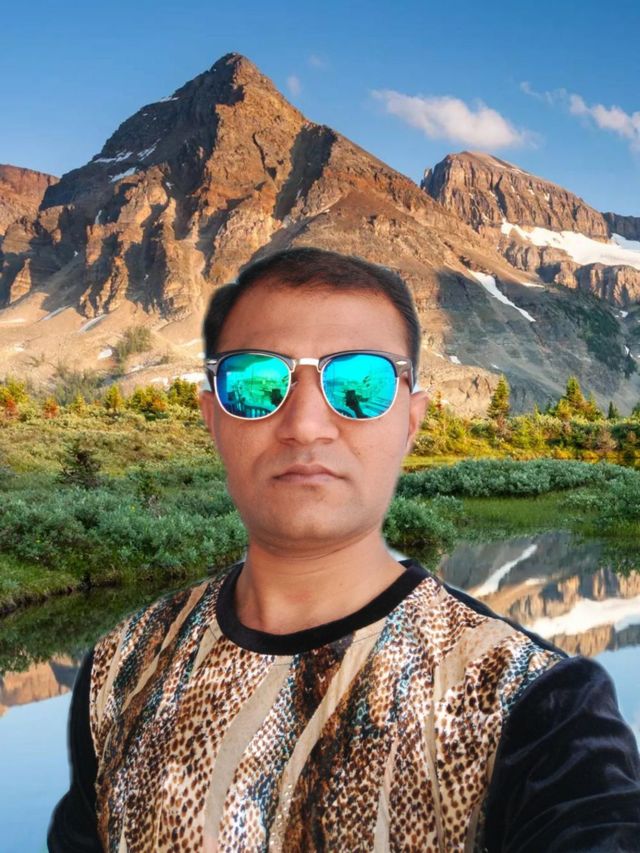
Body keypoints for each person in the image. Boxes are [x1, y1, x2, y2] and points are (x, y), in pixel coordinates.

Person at [49, 247, 640, 852]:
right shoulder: (120, 669)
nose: (306, 424)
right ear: (213, 419)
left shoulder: (539, 707)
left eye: (362, 384)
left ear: (410, 422)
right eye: (255, 384)